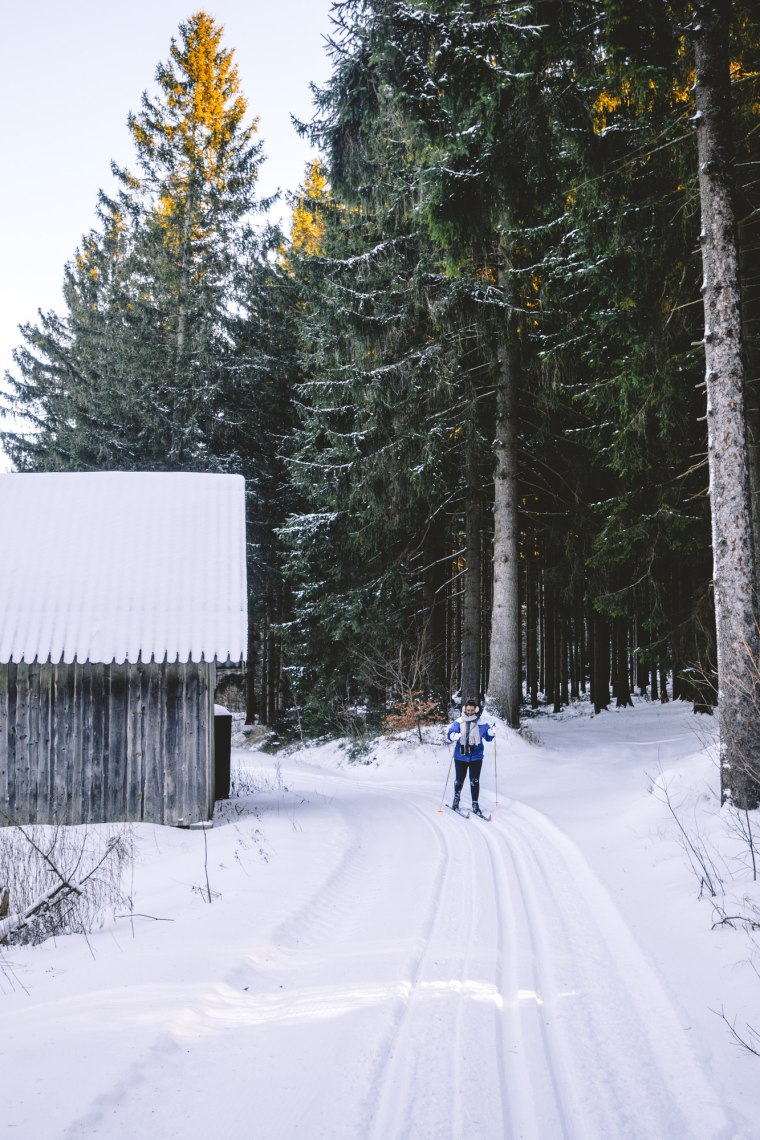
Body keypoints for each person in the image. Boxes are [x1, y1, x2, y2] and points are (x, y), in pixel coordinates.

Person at [446, 698, 495, 815]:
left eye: (472, 710)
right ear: (464, 709)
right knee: (459, 780)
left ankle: (475, 804)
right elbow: (449, 734)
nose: (470, 712)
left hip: (476, 757)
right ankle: (456, 802)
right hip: (460, 756)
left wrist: (492, 732)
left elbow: (488, 738)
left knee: (474, 780)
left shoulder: (482, 723)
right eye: (468, 710)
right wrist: (454, 735)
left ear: (476, 710)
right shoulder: (458, 721)